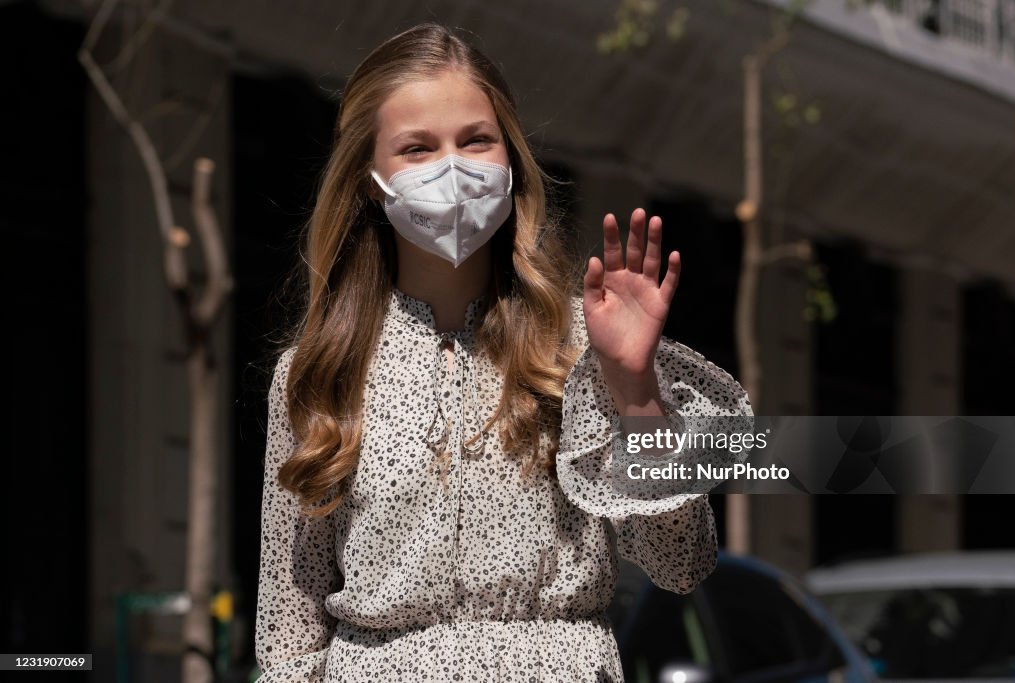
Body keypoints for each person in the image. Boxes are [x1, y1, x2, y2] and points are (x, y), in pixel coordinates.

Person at [254, 23, 751, 683]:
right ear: (370, 180)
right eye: (417, 147)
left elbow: (681, 563)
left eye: (476, 140)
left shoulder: (581, 347)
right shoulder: (317, 373)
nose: (452, 167)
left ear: (510, 156)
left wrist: (635, 389)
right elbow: (289, 635)